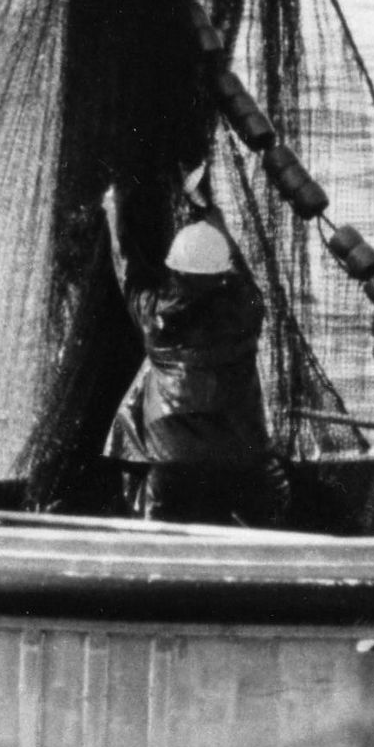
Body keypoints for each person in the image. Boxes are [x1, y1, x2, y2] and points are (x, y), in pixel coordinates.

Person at [102, 183, 289, 528]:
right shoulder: (248, 309)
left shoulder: (153, 316)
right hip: (242, 461)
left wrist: (114, 212)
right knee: (265, 511)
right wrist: (209, 213)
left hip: (171, 464)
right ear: (222, 274)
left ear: (174, 270)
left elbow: (126, 268)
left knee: (158, 529)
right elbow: (241, 270)